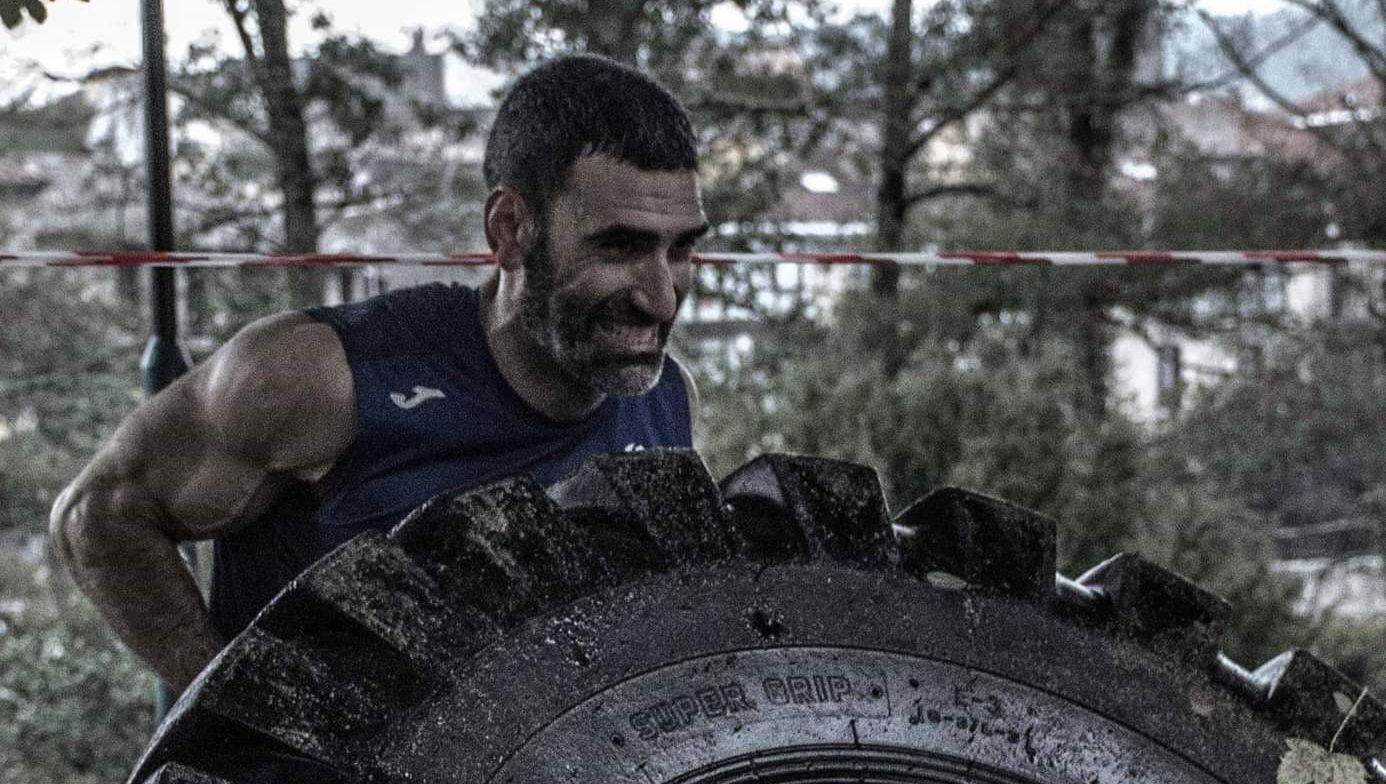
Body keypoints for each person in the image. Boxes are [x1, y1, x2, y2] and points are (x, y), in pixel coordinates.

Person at [48, 54, 710, 695]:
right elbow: (99, 518)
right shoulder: (313, 378)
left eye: (680, 248)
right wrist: (244, 715)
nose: (660, 296)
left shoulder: (664, 400)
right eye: (619, 247)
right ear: (510, 231)